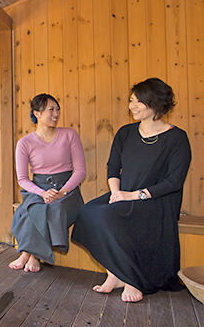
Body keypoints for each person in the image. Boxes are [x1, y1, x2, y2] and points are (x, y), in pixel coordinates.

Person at [72, 78, 191, 302]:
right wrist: (116, 193)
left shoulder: (177, 138)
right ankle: (114, 273)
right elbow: (113, 167)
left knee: (108, 215)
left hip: (157, 200)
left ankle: (131, 279)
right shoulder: (125, 133)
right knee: (89, 212)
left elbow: (174, 181)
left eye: (138, 102)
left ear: (155, 103)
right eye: (130, 101)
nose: (132, 106)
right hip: (123, 192)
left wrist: (133, 196)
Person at [10, 94, 86, 272]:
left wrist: (63, 191)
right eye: (51, 109)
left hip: (67, 189)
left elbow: (81, 171)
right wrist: (42, 193)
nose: (56, 113)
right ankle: (30, 254)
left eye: (57, 109)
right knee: (32, 208)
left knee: (54, 208)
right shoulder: (24, 143)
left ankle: (31, 254)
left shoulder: (69, 135)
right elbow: (22, 179)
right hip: (38, 189)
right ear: (37, 113)